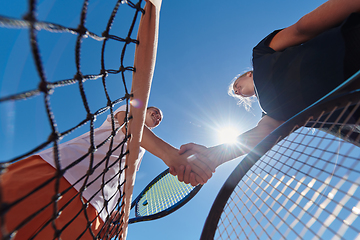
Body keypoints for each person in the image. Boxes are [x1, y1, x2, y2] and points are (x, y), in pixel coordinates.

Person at [174, 0, 360, 186]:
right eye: (237, 94)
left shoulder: (260, 55)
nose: (237, 91)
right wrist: (214, 156)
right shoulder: (270, 113)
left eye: (236, 85)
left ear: (248, 74)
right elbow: (264, 132)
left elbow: (302, 29)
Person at [0, 105, 211, 239]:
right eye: (154, 111)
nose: (157, 116)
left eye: (160, 117)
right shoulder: (126, 110)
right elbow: (131, 122)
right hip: (56, 174)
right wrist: (173, 156)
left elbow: (121, 185)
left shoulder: (141, 155)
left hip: (90, 215)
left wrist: (109, 216)